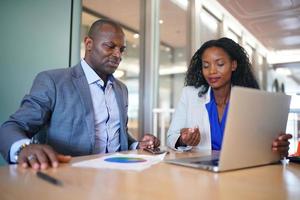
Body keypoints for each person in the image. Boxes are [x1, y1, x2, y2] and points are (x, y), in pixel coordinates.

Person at [0, 19, 160, 170]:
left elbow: (118, 132)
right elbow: (12, 127)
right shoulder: (53, 82)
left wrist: (136, 145)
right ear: (89, 44)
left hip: (119, 175)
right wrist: (23, 148)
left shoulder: (121, 89)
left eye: (121, 49)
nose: (118, 55)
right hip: (70, 177)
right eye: (110, 46)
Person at [167, 37, 292, 156]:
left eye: (220, 64)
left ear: (233, 65)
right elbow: (171, 137)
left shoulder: (251, 101)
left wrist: (278, 148)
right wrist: (184, 140)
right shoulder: (189, 94)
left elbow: (264, 146)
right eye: (206, 65)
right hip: (202, 172)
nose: (211, 71)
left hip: (240, 171)